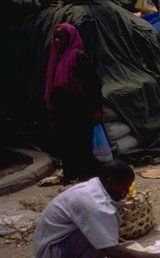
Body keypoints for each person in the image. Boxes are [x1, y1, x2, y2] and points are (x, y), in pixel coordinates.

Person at [33, 160, 160, 258]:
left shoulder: (95, 186)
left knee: (100, 229)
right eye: (123, 186)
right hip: (53, 254)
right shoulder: (95, 204)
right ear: (109, 181)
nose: (126, 193)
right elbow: (114, 254)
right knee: (98, 229)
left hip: (59, 244)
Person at [44, 23, 102, 184]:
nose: (57, 41)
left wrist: (95, 109)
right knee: (65, 142)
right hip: (61, 109)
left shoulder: (78, 57)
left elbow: (93, 84)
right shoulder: (55, 58)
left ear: (69, 38)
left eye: (61, 37)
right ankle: (70, 175)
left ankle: (87, 177)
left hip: (78, 108)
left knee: (81, 142)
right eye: (55, 37)